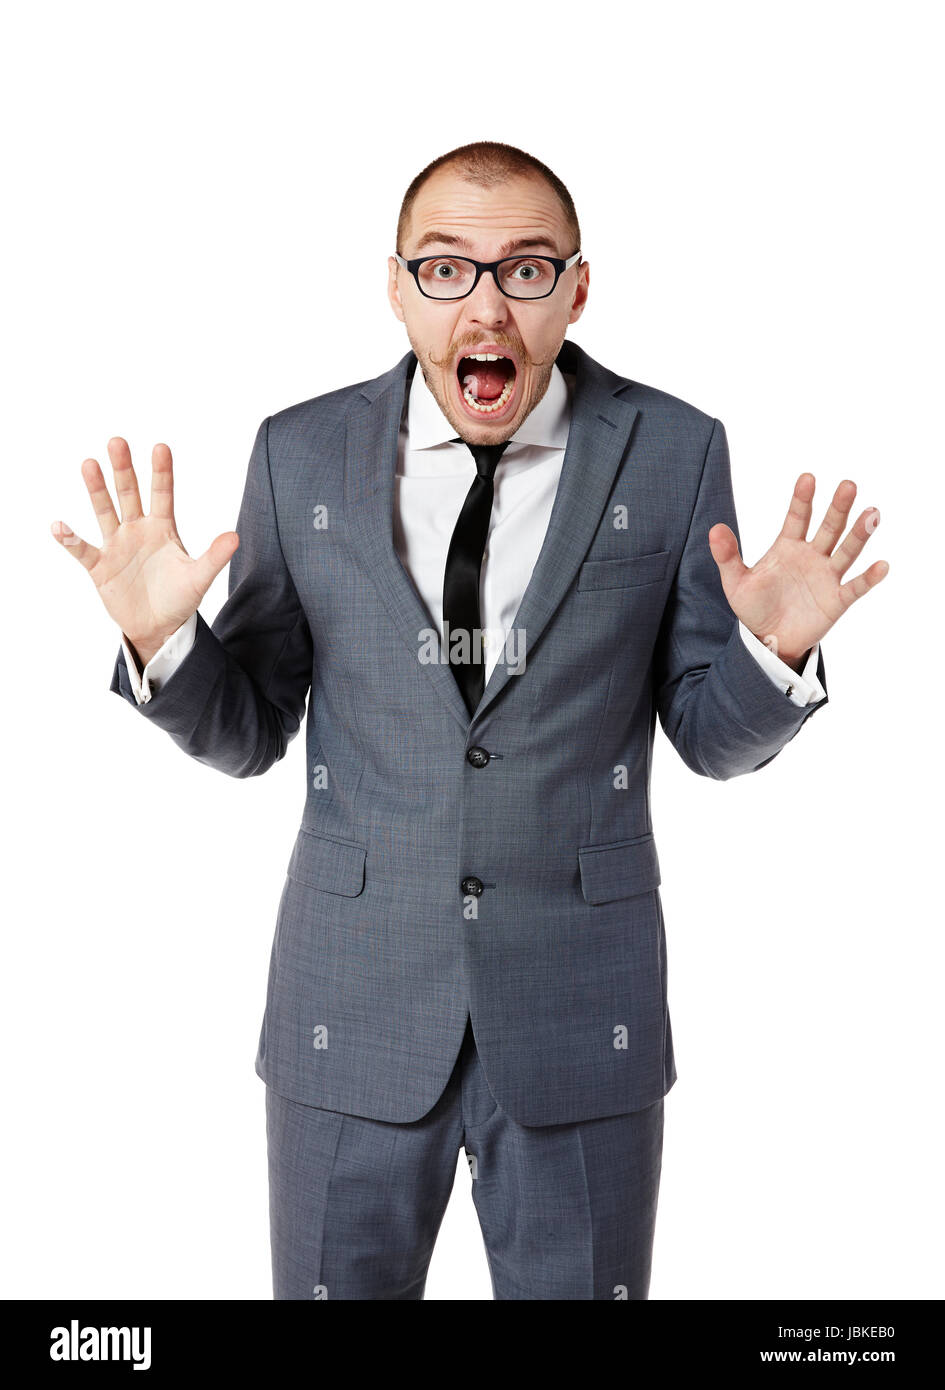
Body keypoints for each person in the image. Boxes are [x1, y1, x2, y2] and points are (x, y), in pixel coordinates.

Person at [51, 141, 888, 1300]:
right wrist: (165, 645)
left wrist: (771, 653)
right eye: (445, 270)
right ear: (395, 286)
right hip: (348, 1008)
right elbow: (250, 731)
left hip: (580, 1013)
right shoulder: (298, 456)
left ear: (578, 289)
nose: (485, 306)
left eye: (527, 270)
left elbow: (710, 734)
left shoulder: (678, 448)